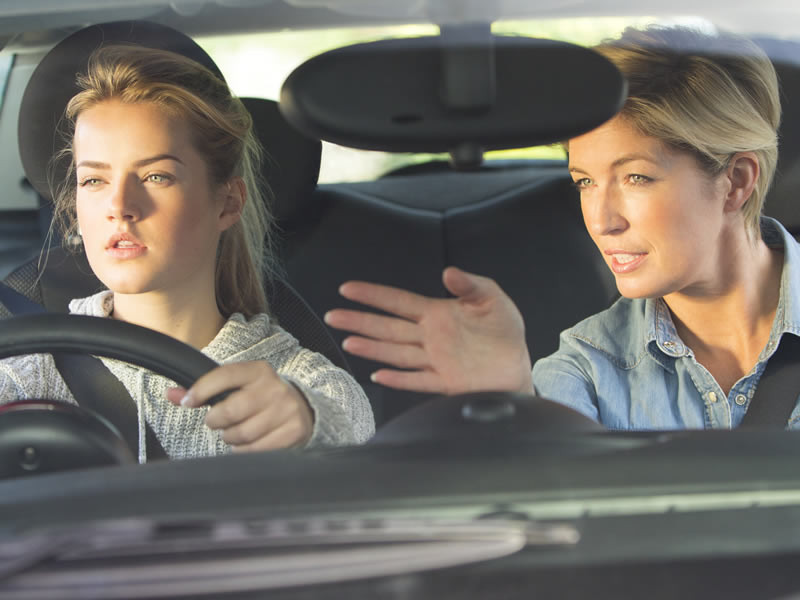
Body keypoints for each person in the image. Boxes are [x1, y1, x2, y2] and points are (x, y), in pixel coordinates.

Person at [324, 24, 796, 430]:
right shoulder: (584, 371)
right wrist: (514, 404)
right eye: (585, 182)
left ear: (736, 182)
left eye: (636, 177)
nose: (602, 220)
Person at [0, 44, 374, 461]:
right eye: (94, 181)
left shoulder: (304, 387)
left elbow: (346, 431)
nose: (120, 205)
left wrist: (308, 427)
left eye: (156, 176)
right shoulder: (24, 374)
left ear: (228, 203)